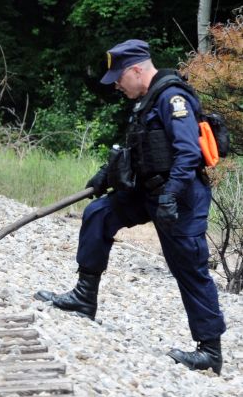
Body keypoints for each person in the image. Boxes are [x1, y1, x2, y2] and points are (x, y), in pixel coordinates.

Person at [36, 39, 226, 375]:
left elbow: (188, 153)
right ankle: (84, 297)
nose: (117, 86)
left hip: (181, 196)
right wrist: (104, 176)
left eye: (119, 78)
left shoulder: (173, 98)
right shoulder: (146, 100)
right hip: (150, 192)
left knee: (188, 265)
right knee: (100, 214)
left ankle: (210, 350)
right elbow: (140, 151)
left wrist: (170, 195)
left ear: (137, 70)